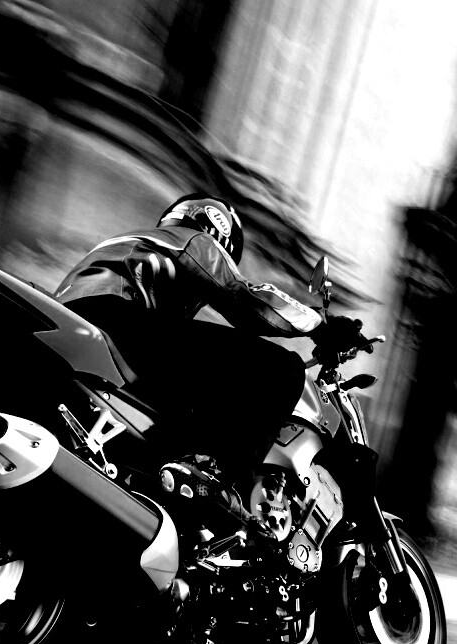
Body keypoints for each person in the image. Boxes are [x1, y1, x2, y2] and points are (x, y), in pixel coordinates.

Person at [54, 193, 365, 536]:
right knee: (281, 369)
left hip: (91, 331)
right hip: (119, 321)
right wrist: (321, 325)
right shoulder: (190, 240)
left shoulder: (132, 246)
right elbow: (243, 297)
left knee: (192, 403)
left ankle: (167, 483)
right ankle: (219, 479)